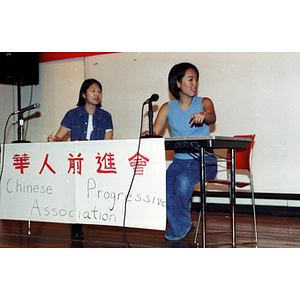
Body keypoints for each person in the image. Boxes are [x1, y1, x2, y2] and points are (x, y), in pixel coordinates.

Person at [142, 62, 218, 240]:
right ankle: (183, 223)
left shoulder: (204, 102)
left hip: (204, 160)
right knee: (162, 189)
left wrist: (204, 116)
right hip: (180, 162)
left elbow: (212, 117)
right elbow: (155, 133)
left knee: (184, 181)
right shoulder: (167, 108)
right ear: (177, 83)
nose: (195, 83)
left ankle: (180, 225)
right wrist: (148, 134)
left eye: (196, 79)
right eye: (190, 79)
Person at [47, 78, 114, 239]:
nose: (97, 94)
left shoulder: (106, 116)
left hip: (95, 161)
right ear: (84, 94)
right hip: (77, 162)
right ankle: (76, 225)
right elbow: (59, 137)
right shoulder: (72, 114)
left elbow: (108, 143)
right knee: (75, 191)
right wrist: (53, 140)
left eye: (99, 91)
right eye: (92, 90)